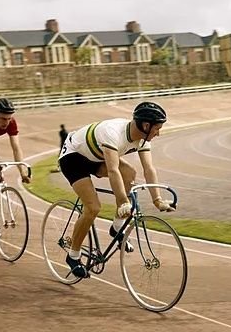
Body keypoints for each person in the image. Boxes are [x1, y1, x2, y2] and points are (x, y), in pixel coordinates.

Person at [58, 101, 175, 278]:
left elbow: (149, 169)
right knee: (93, 208)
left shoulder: (142, 139)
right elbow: (113, 170)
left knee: (130, 173)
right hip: (73, 158)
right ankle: (73, 256)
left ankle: (117, 227)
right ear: (146, 125)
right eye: (157, 128)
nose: (158, 133)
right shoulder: (113, 133)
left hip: (96, 157)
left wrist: (157, 200)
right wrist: (123, 202)